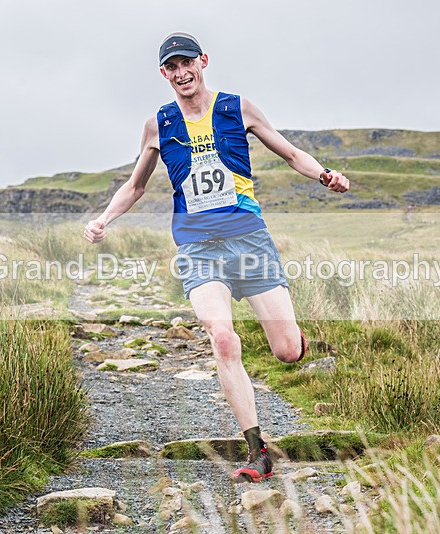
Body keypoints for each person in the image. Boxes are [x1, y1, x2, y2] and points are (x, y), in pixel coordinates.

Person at [84, 32, 349, 483]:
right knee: (222, 339)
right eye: (172, 67)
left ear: (203, 62)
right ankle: (257, 450)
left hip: (248, 240)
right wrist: (103, 219)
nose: (182, 73)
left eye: (188, 63)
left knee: (285, 353)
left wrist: (324, 174)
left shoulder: (237, 108)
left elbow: (288, 152)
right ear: (163, 74)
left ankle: (298, 341)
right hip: (197, 247)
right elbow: (136, 185)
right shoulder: (158, 125)